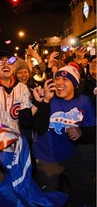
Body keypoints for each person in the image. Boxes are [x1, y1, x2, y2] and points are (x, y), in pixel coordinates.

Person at [31, 65, 96, 207]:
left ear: (75, 84)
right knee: (48, 196)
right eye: (57, 79)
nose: (59, 82)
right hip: (47, 157)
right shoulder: (48, 98)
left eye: (65, 79)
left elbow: (93, 130)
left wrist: (81, 132)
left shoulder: (84, 101)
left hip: (72, 154)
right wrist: (44, 102)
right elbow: (39, 128)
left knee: (84, 186)